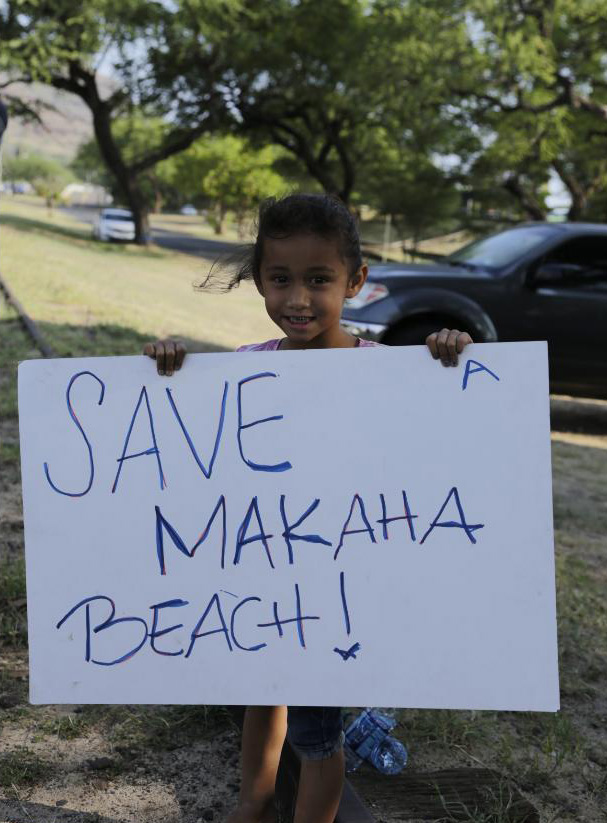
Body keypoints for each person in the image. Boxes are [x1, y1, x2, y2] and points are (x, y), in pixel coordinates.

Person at [144, 194, 472, 823]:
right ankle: (253, 801)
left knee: (319, 733)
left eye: (319, 280)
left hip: (335, 592)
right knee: (261, 696)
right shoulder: (243, 369)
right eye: (280, 279)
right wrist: (172, 371)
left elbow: (429, 442)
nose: (298, 299)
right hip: (260, 575)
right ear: (258, 281)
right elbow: (203, 450)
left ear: (355, 281)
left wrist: (448, 354)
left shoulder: (390, 371)